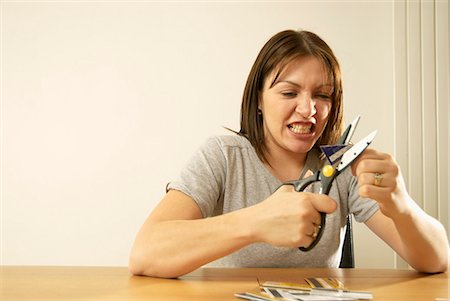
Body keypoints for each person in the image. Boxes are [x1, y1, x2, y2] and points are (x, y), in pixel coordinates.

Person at [129, 29, 449, 278]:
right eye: (289, 92)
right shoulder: (222, 156)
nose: (309, 110)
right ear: (258, 100)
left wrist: (403, 207)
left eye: (322, 95)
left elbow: (437, 261)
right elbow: (145, 254)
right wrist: (256, 222)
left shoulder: (343, 165)